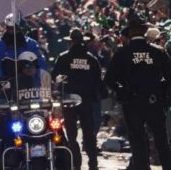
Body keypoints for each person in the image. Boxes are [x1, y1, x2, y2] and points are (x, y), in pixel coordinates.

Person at [105, 13, 171, 170]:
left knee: (138, 142)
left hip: (132, 103)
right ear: (144, 31)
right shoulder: (158, 51)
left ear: (130, 32)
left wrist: (122, 93)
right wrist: (165, 98)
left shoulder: (122, 53)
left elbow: (109, 80)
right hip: (154, 102)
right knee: (162, 142)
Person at [52, 29, 101, 170]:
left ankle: (76, 163)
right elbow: (98, 81)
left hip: (69, 102)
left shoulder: (63, 57)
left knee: (72, 135)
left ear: (71, 41)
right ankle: (93, 164)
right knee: (89, 134)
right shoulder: (92, 59)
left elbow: (55, 76)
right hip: (86, 101)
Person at [0, 14, 47, 83]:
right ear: (6, 28)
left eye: (16, 29)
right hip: (9, 84)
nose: (13, 31)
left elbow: (40, 61)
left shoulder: (31, 43)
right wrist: (0, 80)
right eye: (10, 29)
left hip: (31, 83)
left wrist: (42, 78)